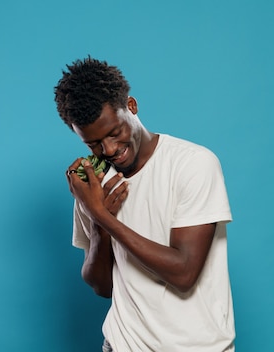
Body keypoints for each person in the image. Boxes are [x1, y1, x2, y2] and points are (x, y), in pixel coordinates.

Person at [54, 57, 236, 351]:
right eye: (94, 144)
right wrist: (98, 226)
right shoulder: (93, 184)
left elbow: (184, 273)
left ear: (132, 106)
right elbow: (103, 286)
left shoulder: (192, 164)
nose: (109, 150)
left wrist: (102, 215)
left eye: (115, 132)